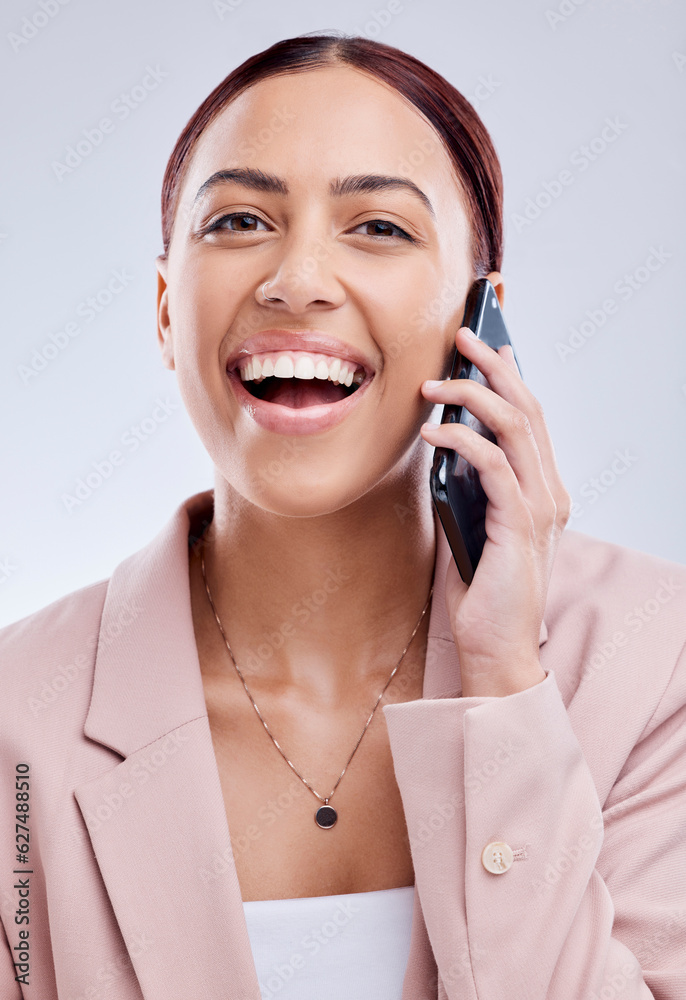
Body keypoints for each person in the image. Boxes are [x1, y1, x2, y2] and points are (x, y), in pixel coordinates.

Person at [1, 31, 685, 1000]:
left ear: (480, 313)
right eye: (239, 220)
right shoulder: (16, 719)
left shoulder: (655, 661)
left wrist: (505, 688)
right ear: (164, 309)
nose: (297, 279)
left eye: (378, 228)